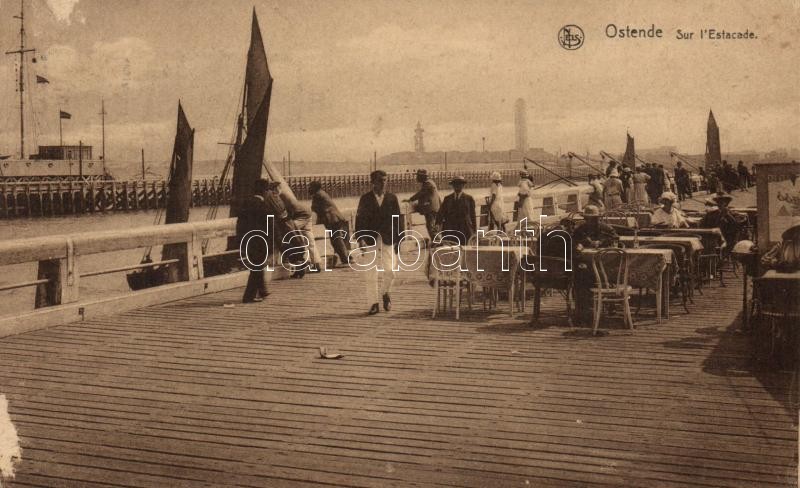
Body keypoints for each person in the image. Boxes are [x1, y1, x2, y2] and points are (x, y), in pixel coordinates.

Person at [355, 170, 402, 315]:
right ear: (373, 182)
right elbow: (359, 220)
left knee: (391, 271)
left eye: (385, 180)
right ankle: (373, 303)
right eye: (381, 180)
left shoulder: (392, 198)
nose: (384, 183)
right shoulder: (365, 199)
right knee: (370, 272)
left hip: (388, 237)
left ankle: (385, 292)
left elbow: (398, 220)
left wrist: (400, 239)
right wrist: (360, 239)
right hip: (370, 238)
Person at [572, 205, 619, 326]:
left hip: (605, 264)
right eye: (589, 219)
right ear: (586, 219)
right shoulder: (580, 229)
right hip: (586, 264)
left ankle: (600, 305)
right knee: (579, 275)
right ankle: (583, 309)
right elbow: (573, 243)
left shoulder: (606, 228)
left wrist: (601, 242)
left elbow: (616, 239)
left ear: (598, 218)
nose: (592, 221)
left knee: (604, 274)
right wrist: (580, 245)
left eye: (594, 219)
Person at [236, 179, 274, 303]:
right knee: (256, 269)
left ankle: (262, 290)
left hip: (248, 241)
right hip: (260, 243)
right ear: (264, 191)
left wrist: (240, 241)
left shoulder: (246, 204)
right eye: (268, 190)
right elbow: (269, 227)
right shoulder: (264, 206)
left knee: (257, 267)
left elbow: (240, 224)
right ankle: (248, 296)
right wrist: (270, 245)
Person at [278, 187, 322, 274]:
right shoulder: (288, 197)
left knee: (288, 232)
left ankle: (297, 259)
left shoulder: (282, 199)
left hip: (302, 216)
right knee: (310, 241)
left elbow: (289, 215)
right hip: (308, 215)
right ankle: (316, 264)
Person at [309, 180, 351, 267]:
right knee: (337, 239)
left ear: (314, 188)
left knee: (336, 240)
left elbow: (314, 208)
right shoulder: (322, 193)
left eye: (310, 187)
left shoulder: (317, 195)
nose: (309, 189)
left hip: (332, 219)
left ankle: (345, 260)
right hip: (335, 218)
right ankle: (348, 258)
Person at [437, 175, 477, 245]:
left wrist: (474, 230)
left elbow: (473, 216)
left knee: (464, 250)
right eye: (455, 184)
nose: (457, 186)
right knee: (451, 250)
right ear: (453, 186)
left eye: (459, 184)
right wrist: (438, 224)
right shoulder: (447, 199)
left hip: (464, 229)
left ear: (463, 185)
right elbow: (441, 213)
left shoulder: (469, 199)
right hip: (450, 229)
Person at [404, 168, 441, 240]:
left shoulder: (427, 183)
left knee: (431, 226)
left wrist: (410, 199)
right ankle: (437, 241)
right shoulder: (430, 182)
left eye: (418, 176)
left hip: (431, 209)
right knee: (432, 226)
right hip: (434, 208)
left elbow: (420, 194)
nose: (416, 178)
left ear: (422, 177)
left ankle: (438, 242)